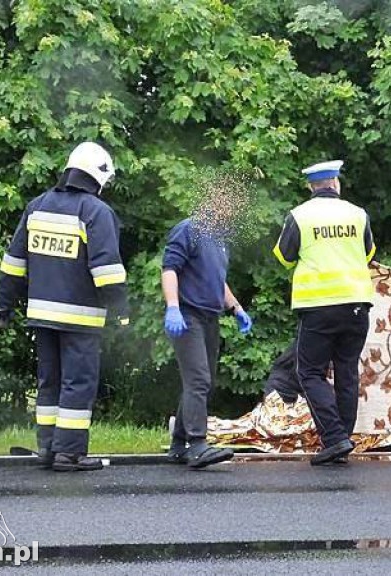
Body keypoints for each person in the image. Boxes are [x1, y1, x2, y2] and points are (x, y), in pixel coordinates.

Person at [0, 142, 130, 472]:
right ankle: (70, 454)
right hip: (80, 318)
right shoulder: (96, 212)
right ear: (97, 176)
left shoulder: (37, 206)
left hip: (41, 316)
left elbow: (14, 262)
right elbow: (106, 268)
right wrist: (121, 309)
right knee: (78, 383)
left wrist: (4, 303)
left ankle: (48, 449)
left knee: (49, 381)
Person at [273, 160, 376, 465]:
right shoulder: (358, 214)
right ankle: (342, 439)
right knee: (347, 372)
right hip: (357, 303)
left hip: (318, 306)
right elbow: (369, 253)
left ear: (311, 187)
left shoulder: (299, 216)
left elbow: (284, 256)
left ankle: (334, 438)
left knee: (310, 372)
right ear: (336, 183)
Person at [161, 215, 252, 468]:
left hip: (210, 316)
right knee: (199, 379)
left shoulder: (219, 239)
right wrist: (173, 306)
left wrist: (236, 308)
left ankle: (178, 445)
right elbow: (170, 269)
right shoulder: (188, 230)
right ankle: (197, 444)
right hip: (188, 314)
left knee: (202, 381)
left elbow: (217, 280)